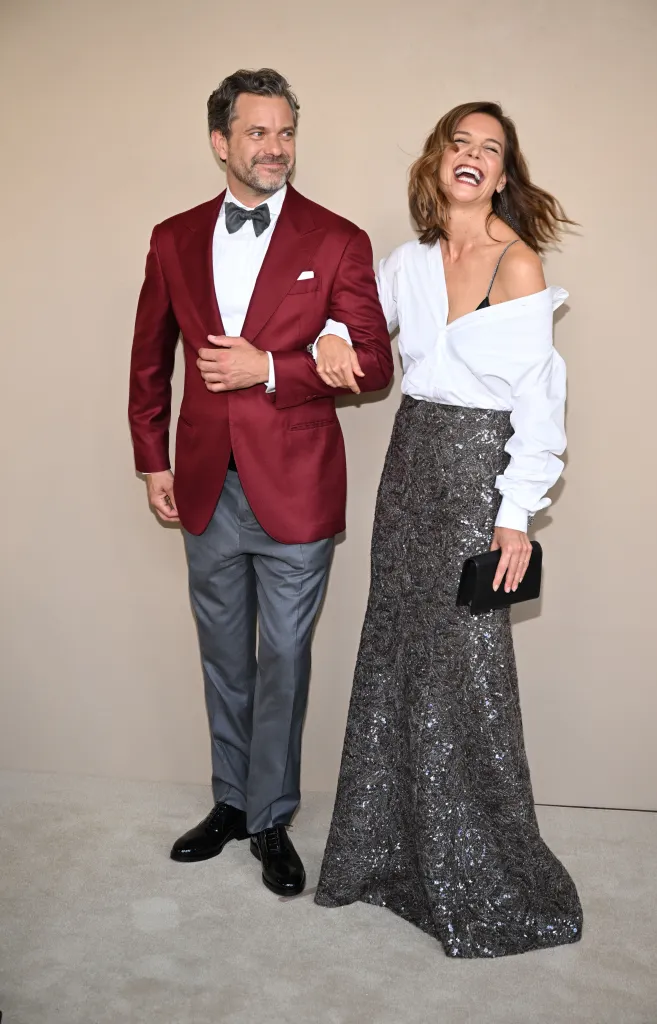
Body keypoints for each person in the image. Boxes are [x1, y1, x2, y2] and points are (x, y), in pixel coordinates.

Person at [314, 101, 583, 956]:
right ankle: (385, 853)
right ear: (438, 162)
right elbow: (356, 320)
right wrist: (329, 333)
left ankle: (479, 868)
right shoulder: (407, 263)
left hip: (476, 477)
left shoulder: (516, 261)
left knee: (465, 667)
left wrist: (514, 516)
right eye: (458, 143)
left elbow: (538, 401)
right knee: (395, 648)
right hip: (408, 468)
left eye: (488, 149)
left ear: (501, 176)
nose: (471, 156)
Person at [128, 68, 392, 897]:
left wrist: (271, 369)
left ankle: (271, 816)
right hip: (204, 485)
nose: (275, 148)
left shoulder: (337, 239)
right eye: (257, 132)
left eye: (285, 132)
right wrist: (152, 459)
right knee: (222, 657)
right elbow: (149, 361)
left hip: (297, 487)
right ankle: (231, 803)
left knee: (281, 657)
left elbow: (374, 364)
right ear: (221, 142)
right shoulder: (172, 237)